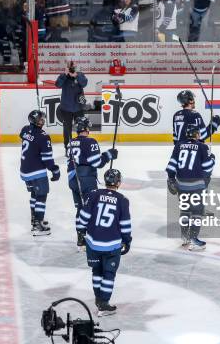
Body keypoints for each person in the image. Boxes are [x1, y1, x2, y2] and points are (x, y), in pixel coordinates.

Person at [76, 168, 131, 317]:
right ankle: (104, 303)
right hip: (112, 245)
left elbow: (84, 215)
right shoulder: (122, 200)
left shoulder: (94, 194)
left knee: (96, 271)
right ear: (118, 183)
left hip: (93, 243)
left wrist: (80, 232)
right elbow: (125, 224)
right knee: (109, 274)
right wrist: (127, 241)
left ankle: (98, 299)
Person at [67, 116, 118, 248]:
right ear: (86, 128)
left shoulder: (71, 142)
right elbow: (97, 163)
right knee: (90, 207)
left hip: (73, 180)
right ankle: (90, 235)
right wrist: (109, 155)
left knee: (80, 208)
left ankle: (80, 236)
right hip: (86, 180)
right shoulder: (91, 142)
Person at [166, 124, 216, 250]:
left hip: (181, 185)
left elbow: (171, 166)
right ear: (197, 134)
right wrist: (212, 159)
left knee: (184, 210)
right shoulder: (202, 147)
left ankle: (185, 237)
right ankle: (193, 238)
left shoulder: (179, 145)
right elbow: (208, 168)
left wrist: (171, 179)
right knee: (197, 212)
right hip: (196, 186)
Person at [19, 110, 61, 236]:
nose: (43, 121)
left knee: (34, 194)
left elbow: (22, 135)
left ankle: (34, 218)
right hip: (36, 171)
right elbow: (47, 158)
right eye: (41, 119)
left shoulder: (25, 129)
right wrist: (55, 170)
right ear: (36, 121)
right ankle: (38, 224)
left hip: (25, 170)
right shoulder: (43, 136)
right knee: (41, 196)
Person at [55, 61, 88, 148]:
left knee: (82, 127)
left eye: (74, 67)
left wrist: (76, 75)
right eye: (71, 68)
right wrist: (64, 75)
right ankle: (67, 146)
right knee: (67, 129)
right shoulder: (63, 76)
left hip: (79, 108)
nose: (72, 69)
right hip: (66, 108)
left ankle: (82, 145)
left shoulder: (80, 75)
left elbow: (84, 83)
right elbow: (57, 84)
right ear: (67, 68)